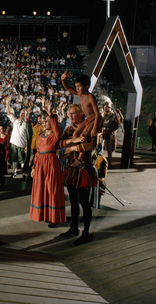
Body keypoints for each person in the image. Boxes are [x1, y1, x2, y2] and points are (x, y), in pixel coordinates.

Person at [57, 104, 96, 245]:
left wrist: (72, 147)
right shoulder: (69, 129)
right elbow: (58, 143)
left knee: (85, 202)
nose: (71, 116)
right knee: (73, 200)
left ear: (80, 113)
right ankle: (74, 227)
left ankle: (86, 233)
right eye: (69, 114)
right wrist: (72, 142)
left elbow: (91, 146)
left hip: (84, 168)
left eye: (73, 113)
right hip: (72, 168)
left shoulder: (89, 127)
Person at [29, 106, 65, 226]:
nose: (44, 123)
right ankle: (43, 214)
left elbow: (57, 129)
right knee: (41, 189)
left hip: (51, 164)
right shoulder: (40, 137)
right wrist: (33, 167)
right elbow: (38, 153)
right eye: (44, 121)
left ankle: (54, 217)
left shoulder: (55, 136)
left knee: (51, 189)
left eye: (47, 121)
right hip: (40, 166)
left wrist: (51, 113)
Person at [61, 73, 100, 140]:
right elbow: (68, 88)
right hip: (87, 119)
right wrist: (63, 80)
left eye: (79, 86)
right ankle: (74, 149)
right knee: (75, 134)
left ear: (86, 86)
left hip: (93, 120)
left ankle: (83, 149)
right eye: (76, 87)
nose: (77, 89)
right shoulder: (80, 94)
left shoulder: (91, 97)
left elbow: (97, 114)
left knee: (83, 135)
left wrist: (95, 128)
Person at [5, 95, 32, 178]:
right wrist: (7, 103)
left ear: (26, 115)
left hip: (22, 144)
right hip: (14, 143)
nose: (21, 114)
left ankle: (24, 173)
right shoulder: (15, 120)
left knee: (22, 160)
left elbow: (29, 136)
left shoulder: (27, 124)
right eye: (21, 113)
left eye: (23, 113)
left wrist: (27, 146)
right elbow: (9, 113)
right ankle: (15, 172)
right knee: (14, 159)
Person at [100, 100, 119, 166]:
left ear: (109, 107)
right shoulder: (102, 114)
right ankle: (100, 160)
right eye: (105, 106)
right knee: (100, 146)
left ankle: (109, 161)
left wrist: (110, 131)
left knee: (109, 147)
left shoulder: (113, 115)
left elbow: (116, 126)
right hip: (102, 131)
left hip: (109, 132)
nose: (106, 108)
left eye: (107, 107)